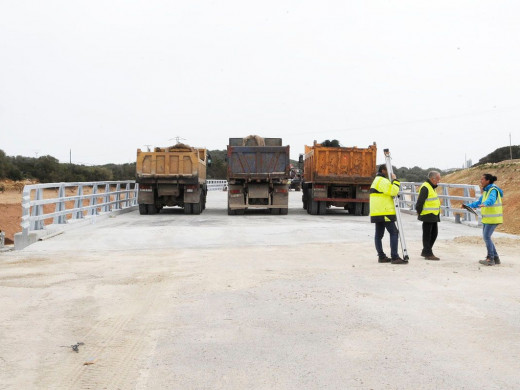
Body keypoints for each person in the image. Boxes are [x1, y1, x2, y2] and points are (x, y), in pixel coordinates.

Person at [369, 164, 407, 264]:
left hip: (377, 211)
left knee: (379, 235)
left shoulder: (376, 180)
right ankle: (395, 257)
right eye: (388, 170)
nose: (390, 173)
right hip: (385, 211)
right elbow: (393, 191)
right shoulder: (383, 181)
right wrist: (396, 181)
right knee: (394, 232)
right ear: (383, 170)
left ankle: (381, 257)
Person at [463, 174, 504, 266]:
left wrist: (486, 203)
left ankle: (490, 259)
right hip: (488, 219)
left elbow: (491, 199)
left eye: (482, 179)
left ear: (488, 181)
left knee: (486, 237)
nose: (480, 181)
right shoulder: (487, 191)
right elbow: (479, 202)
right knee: (487, 237)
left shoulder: (493, 190)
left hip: (493, 219)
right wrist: (468, 206)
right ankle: (496, 258)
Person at [415, 171, 442, 260]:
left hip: (433, 214)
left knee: (434, 233)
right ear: (432, 179)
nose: (439, 181)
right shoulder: (426, 187)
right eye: (438, 179)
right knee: (428, 234)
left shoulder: (431, 187)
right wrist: (419, 212)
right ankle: (428, 253)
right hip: (428, 214)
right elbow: (420, 202)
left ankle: (426, 251)